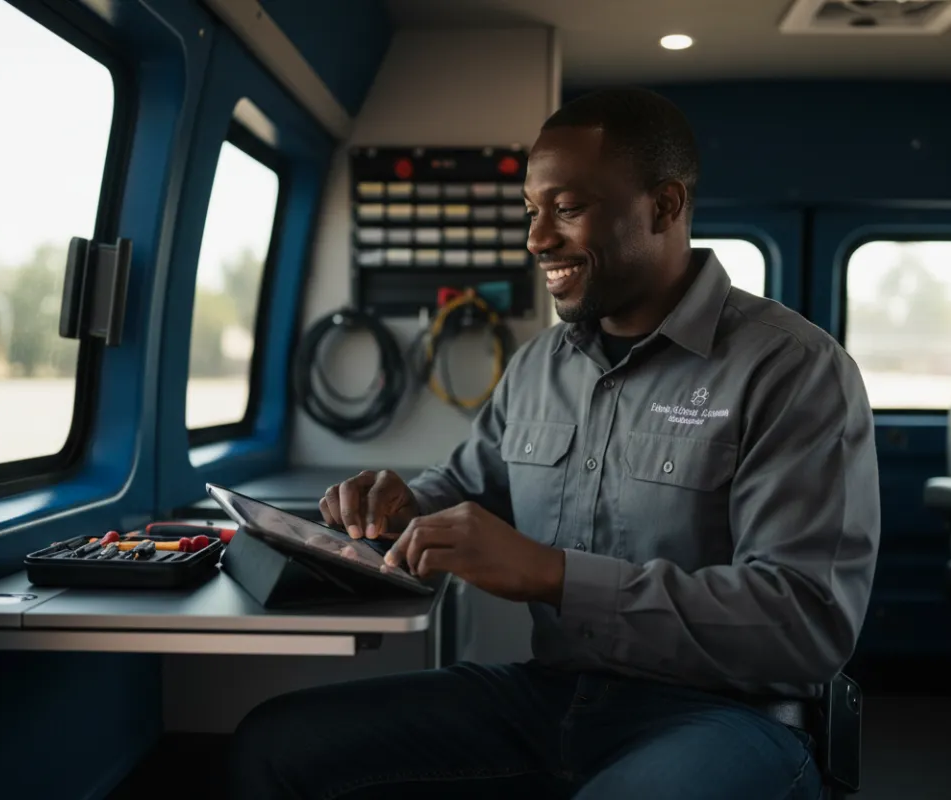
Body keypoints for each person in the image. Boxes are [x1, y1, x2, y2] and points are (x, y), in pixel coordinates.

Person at [229, 87, 880, 799]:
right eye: (531, 212)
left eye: (566, 209)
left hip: (729, 714)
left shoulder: (792, 369)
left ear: (664, 206)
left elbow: (805, 624)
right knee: (275, 744)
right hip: (551, 696)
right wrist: (400, 507)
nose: (537, 239)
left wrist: (556, 575)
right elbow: (465, 490)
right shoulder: (540, 365)